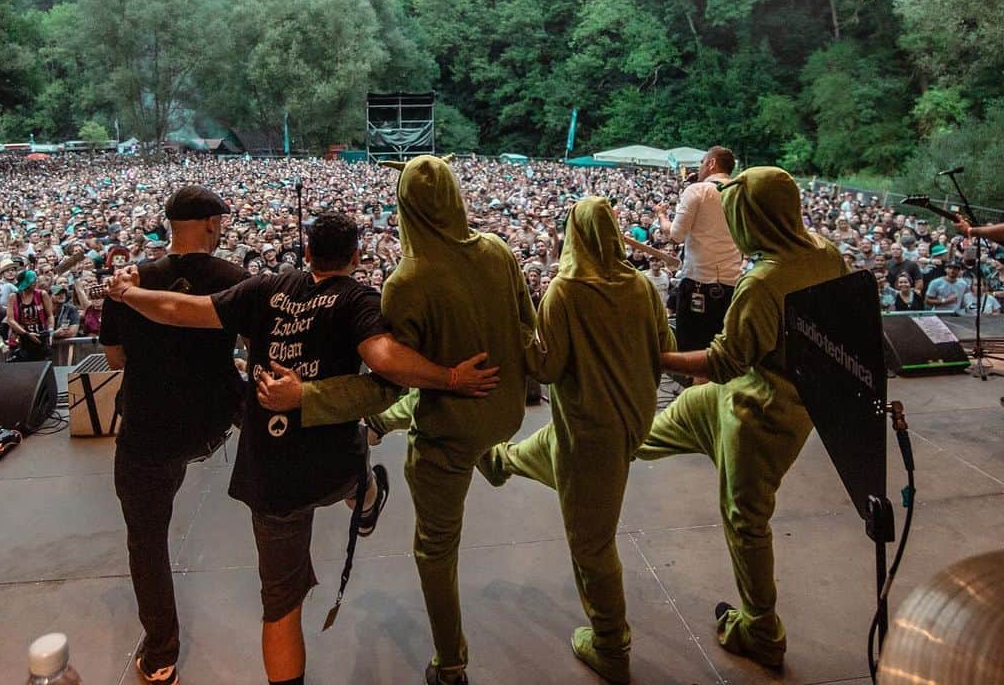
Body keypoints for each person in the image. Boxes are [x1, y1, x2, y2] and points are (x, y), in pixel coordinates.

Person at [107, 208, 500, 685]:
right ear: (356, 256)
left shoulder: (263, 289)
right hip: (335, 465)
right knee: (362, 464)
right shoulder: (358, 298)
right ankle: (367, 497)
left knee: (280, 606)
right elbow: (385, 360)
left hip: (273, 478)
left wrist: (127, 292)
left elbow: (178, 310)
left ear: (307, 252)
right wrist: (451, 378)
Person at [277, 156, 538, 685]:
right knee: (457, 414)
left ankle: (451, 664)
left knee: (435, 549)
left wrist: (306, 396)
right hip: (507, 412)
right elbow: (525, 325)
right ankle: (491, 459)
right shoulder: (498, 249)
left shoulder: (408, 280)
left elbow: (390, 380)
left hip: (452, 433)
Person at [636, 167, 846, 670]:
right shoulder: (825, 252)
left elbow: (723, 362)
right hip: (778, 399)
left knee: (746, 519)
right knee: (644, 431)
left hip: (761, 414)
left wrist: (656, 357)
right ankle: (592, 444)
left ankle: (762, 630)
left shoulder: (761, 283)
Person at [477, 197, 675, 684]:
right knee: (541, 447)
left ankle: (610, 645)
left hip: (590, 434)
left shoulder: (565, 292)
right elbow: (666, 351)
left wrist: (523, 324)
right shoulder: (643, 286)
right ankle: (498, 463)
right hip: (627, 423)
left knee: (592, 543)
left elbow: (544, 368)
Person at [100, 185, 249, 685]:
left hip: (150, 426)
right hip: (213, 417)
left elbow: (114, 358)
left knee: (147, 539)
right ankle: (350, 483)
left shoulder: (128, 281)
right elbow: (261, 343)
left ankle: (161, 652)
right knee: (283, 428)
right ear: (210, 224)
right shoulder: (235, 278)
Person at [657, 147, 742, 356]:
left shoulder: (698, 191)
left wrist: (661, 217)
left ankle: (696, 387)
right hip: (732, 285)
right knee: (719, 352)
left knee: (693, 351)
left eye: (702, 163)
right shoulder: (741, 192)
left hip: (698, 282)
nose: (700, 168)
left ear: (712, 163)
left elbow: (675, 235)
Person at [7, 269, 53, 361]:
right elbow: (10, 320)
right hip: (20, 338)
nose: (35, 282)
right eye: (33, 281)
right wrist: (26, 334)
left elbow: (49, 316)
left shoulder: (41, 294)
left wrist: (50, 333)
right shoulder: (14, 297)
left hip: (40, 337)